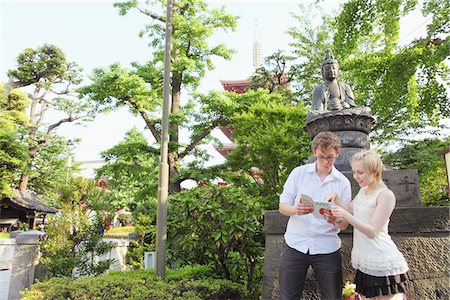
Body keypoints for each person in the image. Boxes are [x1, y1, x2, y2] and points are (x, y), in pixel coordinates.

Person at [278, 131, 352, 300]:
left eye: (330, 157)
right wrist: (296, 210)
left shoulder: (342, 182)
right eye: (321, 157)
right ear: (314, 153)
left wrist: (335, 220)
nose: (326, 162)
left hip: (327, 246)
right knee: (287, 297)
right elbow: (282, 206)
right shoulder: (298, 173)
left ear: (337, 153)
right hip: (295, 243)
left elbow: (344, 224)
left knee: (332, 297)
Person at [328, 150, 409, 299]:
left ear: (374, 170)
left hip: (383, 261)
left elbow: (372, 231)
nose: (356, 177)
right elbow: (349, 211)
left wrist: (345, 215)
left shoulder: (385, 195)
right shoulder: (363, 191)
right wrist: (336, 198)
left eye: (360, 172)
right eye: (354, 172)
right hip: (367, 261)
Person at [310, 49, 357, 114]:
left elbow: (352, 106)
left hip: (344, 113)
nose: (331, 71)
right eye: (327, 69)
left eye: (333, 68)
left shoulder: (345, 87)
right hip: (327, 115)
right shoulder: (318, 89)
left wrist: (344, 105)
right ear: (322, 72)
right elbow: (316, 110)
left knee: (366, 110)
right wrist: (324, 101)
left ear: (338, 70)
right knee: (312, 114)